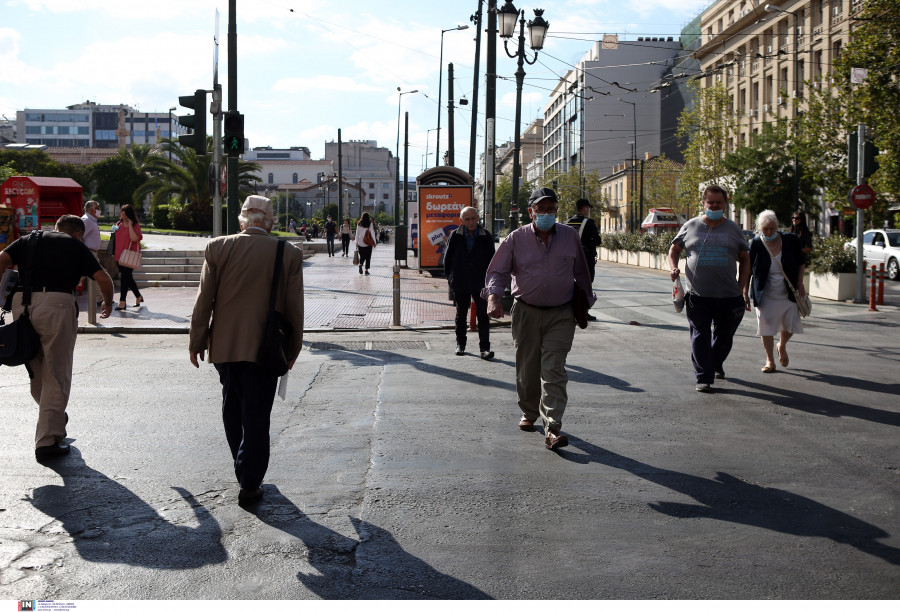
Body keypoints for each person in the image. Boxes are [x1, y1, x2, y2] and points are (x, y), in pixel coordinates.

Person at [188, 195, 304, 508]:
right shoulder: (288, 252)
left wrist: (196, 340)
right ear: (271, 223)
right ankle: (250, 480)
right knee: (257, 414)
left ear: (242, 221)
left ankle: (244, 470)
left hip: (224, 345)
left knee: (232, 406)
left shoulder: (217, 247)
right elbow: (294, 308)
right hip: (265, 347)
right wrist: (293, 348)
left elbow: (204, 301)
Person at [484, 187, 595, 451]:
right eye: (540, 209)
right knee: (527, 367)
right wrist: (493, 297)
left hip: (561, 313)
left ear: (557, 210)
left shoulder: (569, 236)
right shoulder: (516, 238)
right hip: (526, 311)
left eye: (550, 209)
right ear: (531, 211)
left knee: (553, 367)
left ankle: (553, 426)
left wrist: (586, 303)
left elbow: (581, 271)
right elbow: (498, 271)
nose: (546, 213)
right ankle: (529, 411)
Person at [0, 215, 114, 460]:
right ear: (78, 234)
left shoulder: (29, 240)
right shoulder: (74, 245)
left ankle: (53, 416)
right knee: (57, 373)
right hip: (58, 305)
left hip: (24, 305)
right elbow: (103, 278)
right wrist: (107, 302)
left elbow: (1, 260)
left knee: (36, 369)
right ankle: (47, 441)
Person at [667, 185, 751, 393]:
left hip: (729, 296)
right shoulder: (690, 226)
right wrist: (674, 267)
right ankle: (703, 376)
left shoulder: (733, 229)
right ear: (703, 203)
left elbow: (745, 258)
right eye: (710, 202)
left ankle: (714, 363)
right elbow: (674, 250)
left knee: (724, 337)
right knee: (699, 334)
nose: (714, 205)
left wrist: (742, 288)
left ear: (725, 204)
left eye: (718, 202)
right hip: (698, 296)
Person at [749, 210, 806, 373]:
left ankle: (781, 345)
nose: (768, 232)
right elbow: (747, 269)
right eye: (765, 229)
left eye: (772, 229)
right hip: (764, 292)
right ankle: (770, 360)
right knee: (765, 327)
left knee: (790, 325)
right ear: (760, 229)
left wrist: (800, 282)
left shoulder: (790, 240)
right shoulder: (756, 243)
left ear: (777, 227)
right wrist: (744, 292)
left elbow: (801, 262)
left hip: (787, 290)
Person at [444, 206, 496, 360]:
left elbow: (493, 260)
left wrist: (490, 282)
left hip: (481, 282)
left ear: (478, 217)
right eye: (467, 219)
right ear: (461, 221)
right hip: (460, 281)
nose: (471, 222)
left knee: (483, 314)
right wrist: (451, 279)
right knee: (461, 315)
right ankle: (460, 345)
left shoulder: (485, 235)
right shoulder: (455, 235)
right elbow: (447, 260)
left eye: (473, 218)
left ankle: (485, 349)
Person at [565, 198, 602, 321]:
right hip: (586, 258)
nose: (588, 210)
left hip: (569, 258)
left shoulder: (567, 222)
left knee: (569, 284)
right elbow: (598, 241)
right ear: (584, 207)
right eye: (588, 207)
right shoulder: (589, 223)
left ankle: (568, 310)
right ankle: (583, 311)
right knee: (586, 284)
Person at [113, 204, 143, 310]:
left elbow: (135, 239)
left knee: (124, 278)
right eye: (122, 214)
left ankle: (122, 302)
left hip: (130, 255)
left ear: (130, 215)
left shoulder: (135, 225)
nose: (124, 217)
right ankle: (138, 296)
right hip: (119, 256)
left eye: (126, 215)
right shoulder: (118, 224)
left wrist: (130, 225)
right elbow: (115, 238)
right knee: (127, 278)